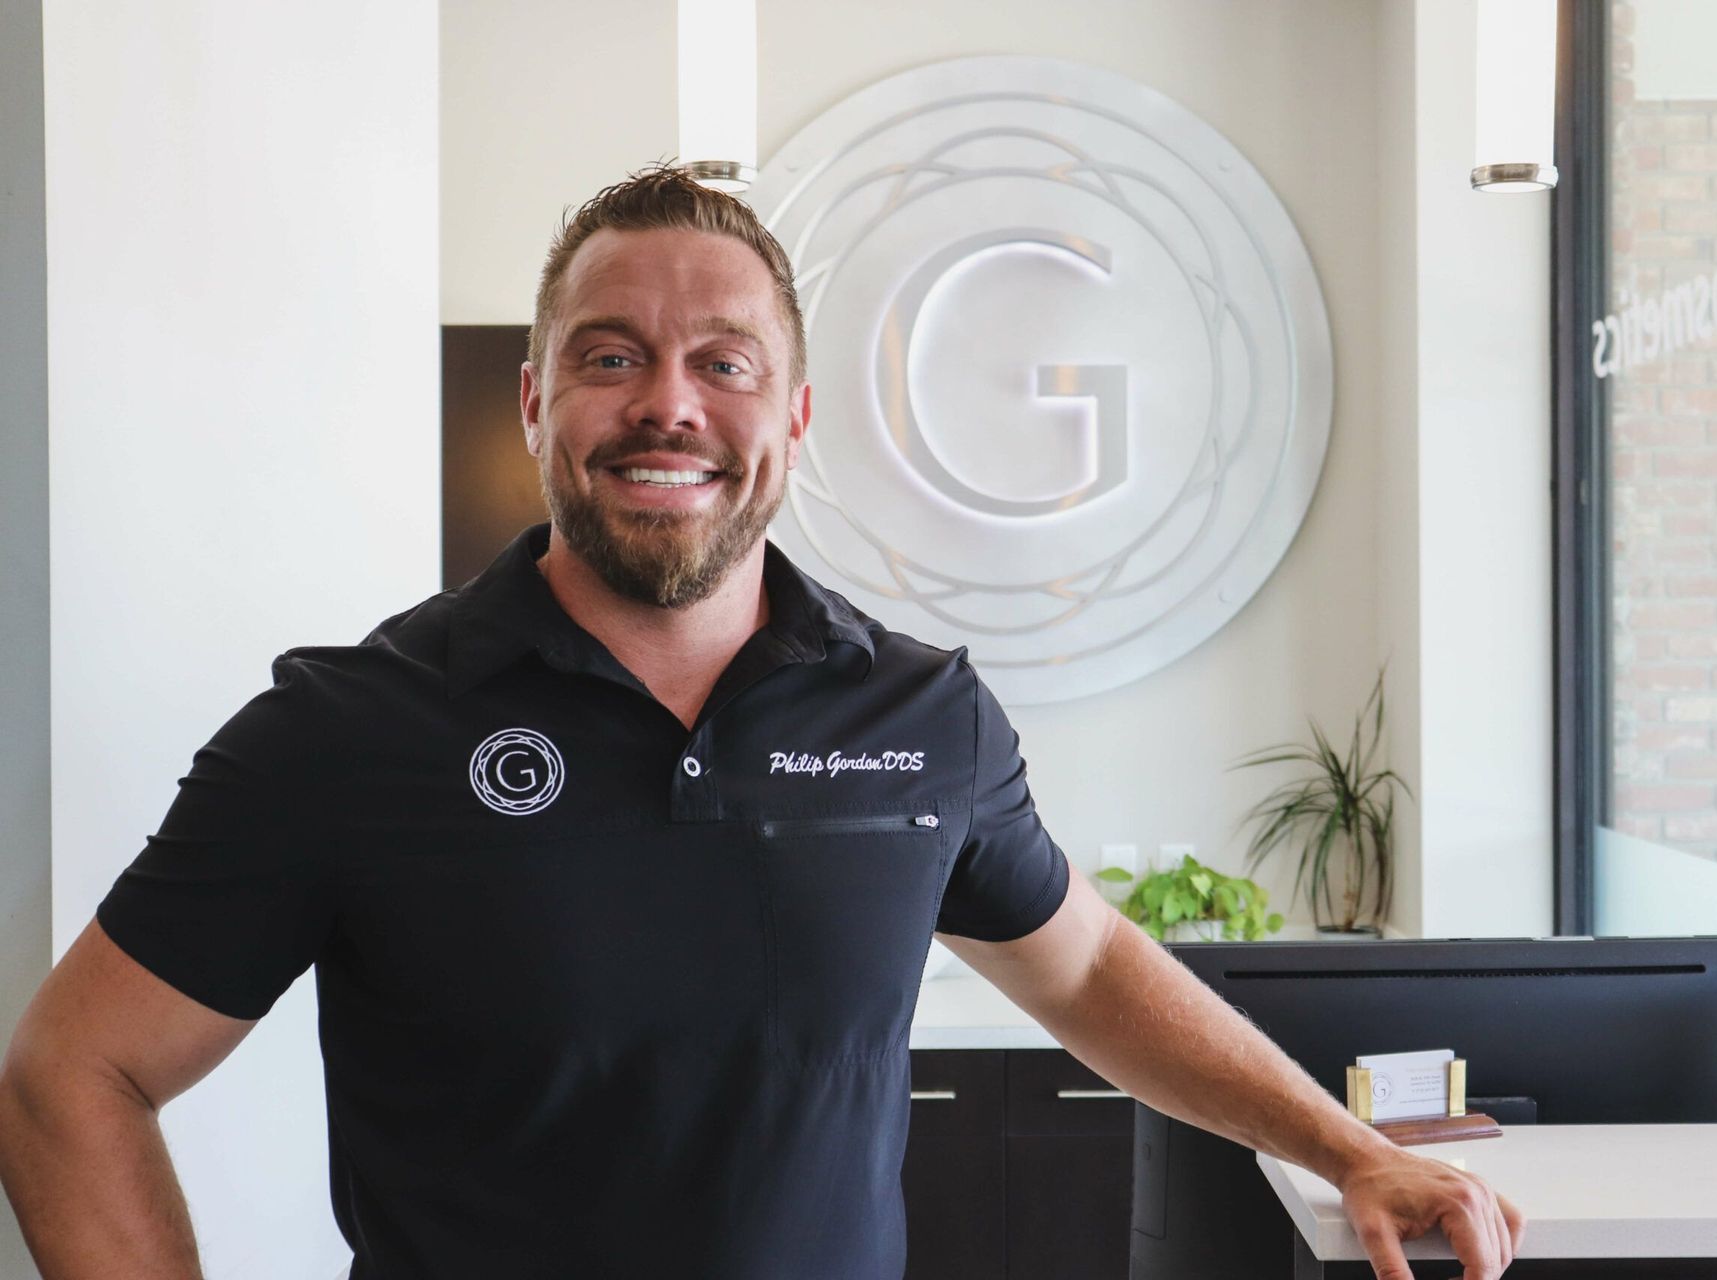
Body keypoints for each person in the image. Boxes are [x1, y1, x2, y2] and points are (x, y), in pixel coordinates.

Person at [0, 164, 1522, 1280]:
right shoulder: (349, 726)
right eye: (612, 356)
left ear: (791, 419)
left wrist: (1346, 1148)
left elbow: (1091, 969)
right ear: (536, 402)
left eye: (724, 364)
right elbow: (72, 1071)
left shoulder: (924, 715)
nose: (669, 404)